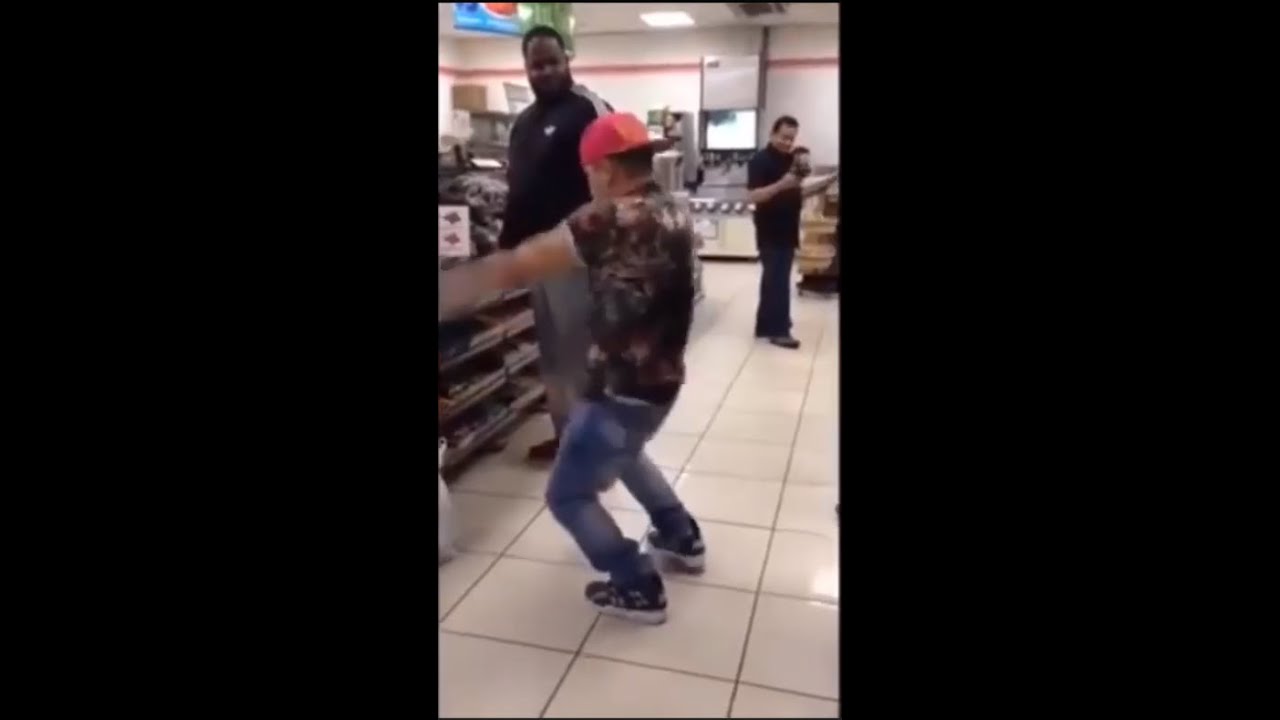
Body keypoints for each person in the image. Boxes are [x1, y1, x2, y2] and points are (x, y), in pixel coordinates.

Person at [440, 112, 705, 625]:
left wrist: (449, 291)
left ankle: (636, 583)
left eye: (589, 172)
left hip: (619, 388)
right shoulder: (674, 208)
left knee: (567, 495)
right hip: (662, 381)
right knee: (626, 455)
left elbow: (518, 264)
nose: (588, 182)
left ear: (605, 169)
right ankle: (680, 535)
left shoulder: (605, 220)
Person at [499, 25, 612, 461]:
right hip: (537, 256)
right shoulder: (524, 123)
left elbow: (617, 176)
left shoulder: (587, 109)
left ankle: (589, 443)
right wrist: (508, 247)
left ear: (567, 61)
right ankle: (566, 435)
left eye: (552, 62)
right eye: (536, 64)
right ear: (526, 68)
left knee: (578, 351)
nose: (545, 71)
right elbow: (520, 188)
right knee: (551, 353)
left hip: (576, 254)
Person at [747, 117, 838, 349]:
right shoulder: (759, 161)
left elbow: (796, 191)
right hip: (770, 229)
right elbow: (753, 196)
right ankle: (779, 331)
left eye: (791, 138)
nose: (788, 142)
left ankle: (764, 326)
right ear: (772, 134)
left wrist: (823, 183)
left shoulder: (790, 160)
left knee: (773, 279)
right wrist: (781, 184)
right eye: (784, 137)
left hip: (788, 228)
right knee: (778, 281)